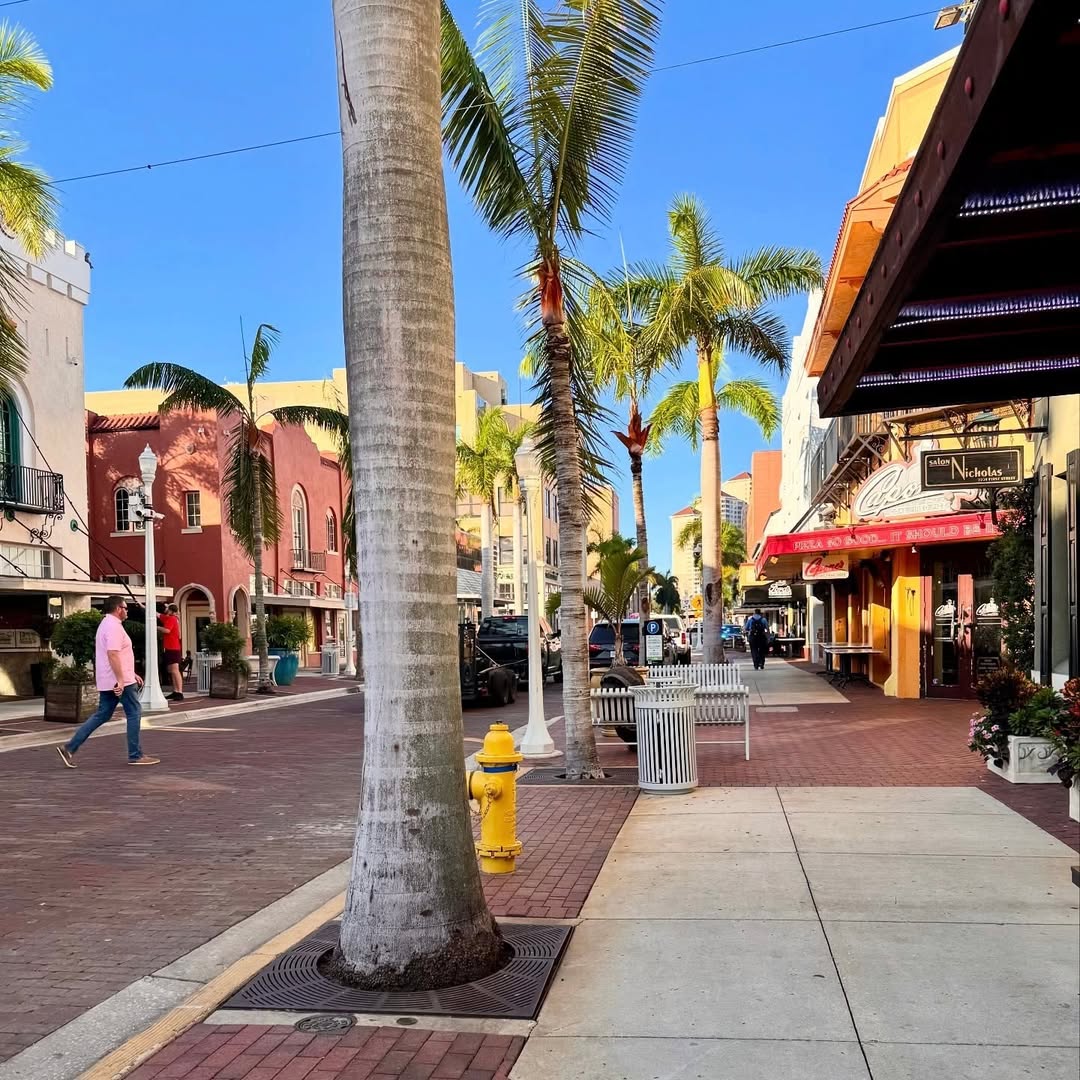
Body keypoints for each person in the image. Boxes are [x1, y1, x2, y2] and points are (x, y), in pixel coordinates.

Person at [57, 596, 160, 768]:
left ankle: (70, 747)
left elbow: (117, 655)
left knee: (103, 714)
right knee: (134, 713)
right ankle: (136, 755)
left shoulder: (107, 625)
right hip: (119, 682)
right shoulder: (113, 627)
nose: (127, 611)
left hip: (110, 679)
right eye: (126, 608)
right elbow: (113, 653)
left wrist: (131, 673)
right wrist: (121, 679)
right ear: (118, 608)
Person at [158, 603, 184, 701]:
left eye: (167, 607)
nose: (165, 608)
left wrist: (157, 627)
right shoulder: (168, 618)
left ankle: (179, 692)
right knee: (171, 670)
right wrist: (142, 606)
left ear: (170, 610)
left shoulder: (172, 619)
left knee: (174, 670)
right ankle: (176, 691)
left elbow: (167, 630)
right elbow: (157, 614)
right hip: (170, 648)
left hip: (173, 648)